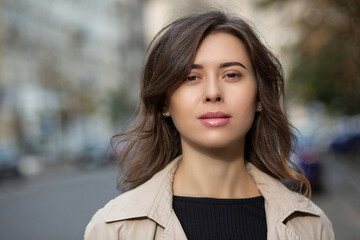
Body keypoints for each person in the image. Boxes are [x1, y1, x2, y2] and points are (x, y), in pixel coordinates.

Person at [84, 10, 334, 240]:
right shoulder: (114, 229)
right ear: (164, 103)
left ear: (259, 96)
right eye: (191, 77)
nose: (213, 92)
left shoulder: (310, 226)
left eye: (232, 75)